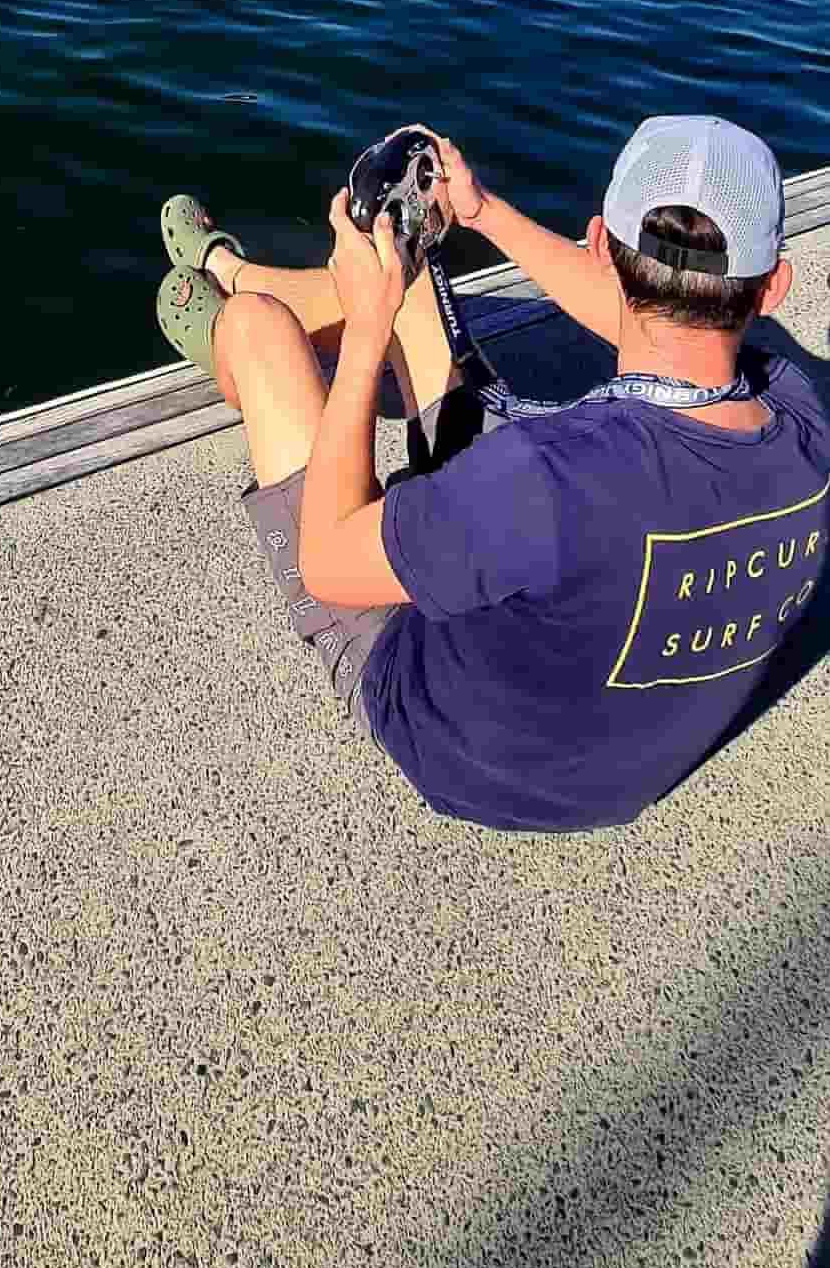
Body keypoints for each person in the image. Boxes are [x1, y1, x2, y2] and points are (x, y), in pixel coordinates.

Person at [155, 118, 830, 832]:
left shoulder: (543, 476)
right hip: (618, 770)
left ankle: (240, 303)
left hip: (459, 746)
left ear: (598, 242)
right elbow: (661, 323)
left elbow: (324, 562)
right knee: (411, 279)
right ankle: (239, 271)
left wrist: (364, 327)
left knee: (257, 331)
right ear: (773, 286)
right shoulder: (802, 423)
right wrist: (483, 213)